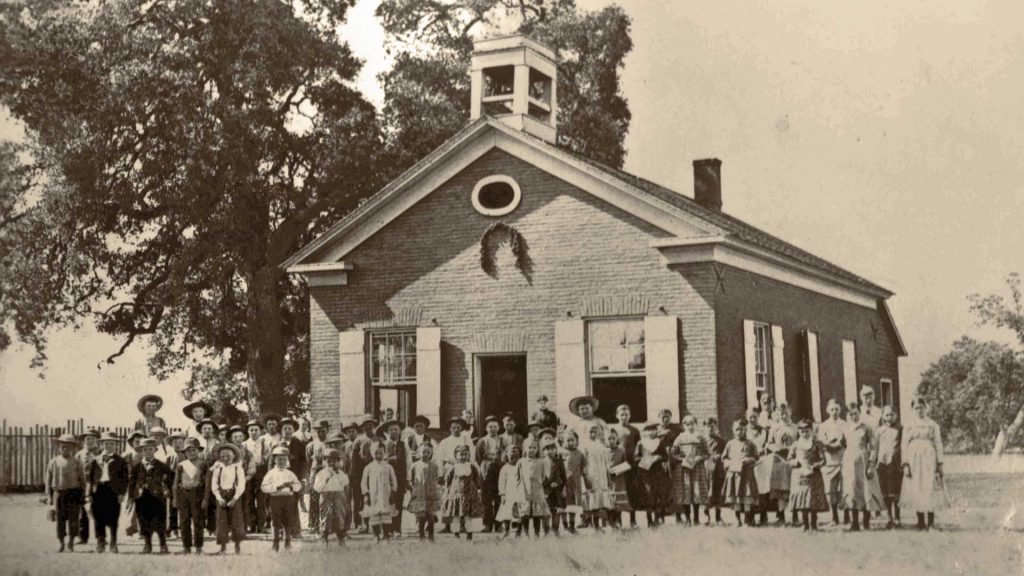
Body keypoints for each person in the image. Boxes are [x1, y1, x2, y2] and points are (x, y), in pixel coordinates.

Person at [901, 396, 947, 531]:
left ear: (925, 408)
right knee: (917, 486)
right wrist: (905, 463)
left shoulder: (933, 425)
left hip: (929, 458)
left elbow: (938, 443)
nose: (919, 410)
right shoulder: (909, 425)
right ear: (912, 410)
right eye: (916, 408)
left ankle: (931, 520)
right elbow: (904, 444)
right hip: (914, 458)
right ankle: (920, 520)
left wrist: (939, 462)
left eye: (921, 407)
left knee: (929, 485)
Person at [841, 402, 883, 531]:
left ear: (860, 413)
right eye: (851, 414)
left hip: (863, 459)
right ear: (847, 415)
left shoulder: (867, 428)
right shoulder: (846, 429)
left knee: (865, 487)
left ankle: (866, 521)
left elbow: (873, 446)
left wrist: (871, 463)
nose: (853, 416)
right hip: (849, 460)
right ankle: (854, 523)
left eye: (855, 413)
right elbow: (843, 444)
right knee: (851, 488)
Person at [127, 438, 174, 554]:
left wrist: (166, 489)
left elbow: (170, 478)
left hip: (158, 497)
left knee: (159, 520)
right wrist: (130, 497)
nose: (148, 452)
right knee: (144, 520)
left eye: (150, 449)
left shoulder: (161, 465)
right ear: (141, 451)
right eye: (145, 450)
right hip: (141, 497)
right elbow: (132, 483)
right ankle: (147, 545)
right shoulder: (136, 467)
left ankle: (163, 545)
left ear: (155, 450)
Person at [85, 431, 128, 553]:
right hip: (98, 491)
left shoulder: (120, 461)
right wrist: (88, 494)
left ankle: (113, 542)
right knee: (98, 517)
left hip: (113, 491)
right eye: (106, 443)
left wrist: (122, 493)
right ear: (101, 445)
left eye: (111, 444)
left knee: (113, 517)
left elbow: (125, 479)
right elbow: (89, 479)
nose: (108, 446)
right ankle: (100, 542)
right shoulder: (95, 460)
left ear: (115, 445)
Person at [43, 434, 85, 553]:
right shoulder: (54, 462)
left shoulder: (77, 462)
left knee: (73, 519)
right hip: (59, 493)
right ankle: (61, 542)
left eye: (69, 447)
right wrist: (49, 496)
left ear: (73, 448)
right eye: (63, 447)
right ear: (59, 448)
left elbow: (82, 479)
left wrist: (83, 494)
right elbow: (48, 480)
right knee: (60, 519)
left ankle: (71, 542)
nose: (66, 449)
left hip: (74, 493)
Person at [787, 420, 828, 531]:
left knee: (812, 500)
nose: (805, 434)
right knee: (802, 501)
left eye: (807, 431)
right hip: (799, 476)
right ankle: (805, 524)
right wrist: (796, 463)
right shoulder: (795, 445)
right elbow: (789, 459)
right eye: (802, 432)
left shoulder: (817, 444)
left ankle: (814, 524)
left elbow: (823, 459)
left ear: (811, 430)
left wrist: (815, 466)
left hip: (814, 476)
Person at [437, 415, 474, 533]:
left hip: (463, 470)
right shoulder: (444, 442)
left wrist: (470, 468)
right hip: (449, 469)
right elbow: (440, 459)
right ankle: (447, 525)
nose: (456, 429)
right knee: (447, 497)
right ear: (450, 428)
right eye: (453, 427)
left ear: (462, 428)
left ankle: (462, 525)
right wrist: (441, 474)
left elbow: (472, 455)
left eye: (458, 427)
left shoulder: (466, 440)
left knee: (462, 498)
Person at [671, 415, 709, 525]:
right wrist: (682, 459)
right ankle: (688, 518)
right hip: (684, 469)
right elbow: (673, 453)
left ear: (696, 424)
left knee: (696, 491)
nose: (690, 426)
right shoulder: (680, 437)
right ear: (684, 426)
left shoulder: (701, 437)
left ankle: (696, 518)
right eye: (687, 424)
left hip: (697, 468)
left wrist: (699, 458)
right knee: (686, 492)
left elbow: (707, 453)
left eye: (692, 423)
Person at [262, 446, 302, 551]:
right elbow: (264, 487)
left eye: (284, 459)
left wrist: (291, 486)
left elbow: (298, 486)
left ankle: (287, 542)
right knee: (275, 520)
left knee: (288, 520)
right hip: (275, 499)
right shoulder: (271, 473)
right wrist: (277, 487)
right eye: (279, 459)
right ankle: (275, 543)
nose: (282, 461)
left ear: (287, 460)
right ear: (274, 460)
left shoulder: (290, 473)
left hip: (288, 499)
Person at [608, 404, 641, 528]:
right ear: (617, 415)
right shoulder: (612, 430)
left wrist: (636, 462)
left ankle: (633, 520)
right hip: (617, 465)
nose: (624, 417)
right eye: (621, 414)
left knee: (631, 492)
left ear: (630, 416)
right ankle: (618, 520)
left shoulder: (634, 430)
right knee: (617, 492)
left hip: (630, 465)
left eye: (626, 414)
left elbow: (639, 447)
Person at [441, 443, 485, 540]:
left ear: (469, 455)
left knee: (468, 516)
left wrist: (478, 489)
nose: (463, 456)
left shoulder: (472, 467)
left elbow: (477, 478)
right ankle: (456, 532)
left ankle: (469, 534)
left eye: (465, 454)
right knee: (456, 515)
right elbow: (448, 479)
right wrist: (448, 491)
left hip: (469, 495)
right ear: (456, 455)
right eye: (461, 454)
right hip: (456, 495)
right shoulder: (453, 467)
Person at [764, 404, 798, 525]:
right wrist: (775, 449)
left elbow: (799, 443)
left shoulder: (795, 428)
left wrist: (792, 450)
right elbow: (768, 444)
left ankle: (795, 516)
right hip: (778, 460)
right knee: (780, 490)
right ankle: (782, 516)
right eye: (781, 414)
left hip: (791, 461)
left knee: (793, 488)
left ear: (790, 413)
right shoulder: (774, 428)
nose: (783, 416)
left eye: (785, 413)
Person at [210, 442, 246, 554]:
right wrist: (219, 498)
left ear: (234, 456)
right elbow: (214, 485)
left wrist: (234, 498)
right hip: (221, 495)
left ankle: (237, 547)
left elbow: (241, 485)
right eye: (222, 456)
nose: (225, 458)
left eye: (228, 455)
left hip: (234, 495)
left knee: (236, 521)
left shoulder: (238, 468)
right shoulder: (218, 469)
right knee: (222, 522)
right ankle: (223, 548)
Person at [722, 420, 759, 527]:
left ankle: (747, 519)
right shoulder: (730, 444)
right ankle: (737, 519)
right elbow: (724, 458)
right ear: (733, 431)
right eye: (737, 429)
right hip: (734, 475)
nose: (739, 432)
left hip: (747, 474)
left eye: (741, 429)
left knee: (747, 496)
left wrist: (749, 460)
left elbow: (756, 458)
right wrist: (729, 463)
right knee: (736, 498)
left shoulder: (750, 444)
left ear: (745, 430)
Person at [173, 438, 207, 554]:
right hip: (184, 494)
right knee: (184, 521)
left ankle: (199, 546)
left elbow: (206, 483)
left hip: (197, 494)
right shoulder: (181, 465)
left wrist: (205, 499)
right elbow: (176, 483)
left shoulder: (203, 464)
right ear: (184, 453)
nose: (191, 453)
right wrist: (175, 498)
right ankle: (186, 547)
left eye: (194, 450)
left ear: (198, 451)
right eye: (188, 451)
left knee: (198, 521)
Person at [313, 448, 350, 547]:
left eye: (334, 461)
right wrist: (327, 477)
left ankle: (341, 539)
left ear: (338, 462)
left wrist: (344, 498)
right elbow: (317, 488)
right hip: (326, 496)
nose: (331, 464)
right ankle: (324, 539)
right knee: (326, 517)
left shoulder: (341, 474)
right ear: (324, 462)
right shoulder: (321, 474)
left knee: (340, 517)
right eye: (328, 461)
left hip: (338, 496)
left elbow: (346, 486)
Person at [818, 398, 847, 525]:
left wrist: (839, 443)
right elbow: (821, 442)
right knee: (831, 490)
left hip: (843, 460)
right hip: (829, 461)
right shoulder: (824, 425)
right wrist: (830, 445)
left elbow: (846, 440)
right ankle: (834, 516)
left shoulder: (844, 424)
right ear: (827, 410)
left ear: (840, 410)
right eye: (832, 409)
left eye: (836, 409)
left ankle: (847, 515)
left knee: (844, 489)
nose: (834, 412)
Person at [361, 442, 398, 541]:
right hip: (373, 495)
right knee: (374, 514)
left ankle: (386, 534)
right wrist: (366, 494)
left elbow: (393, 480)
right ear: (372, 454)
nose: (378, 456)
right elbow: (364, 482)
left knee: (386, 514)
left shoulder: (388, 467)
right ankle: (376, 535)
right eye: (376, 453)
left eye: (380, 453)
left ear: (384, 453)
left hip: (386, 494)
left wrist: (393, 492)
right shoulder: (368, 467)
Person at [581, 423, 613, 530]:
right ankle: (594, 524)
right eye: (591, 432)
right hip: (592, 474)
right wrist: (586, 476)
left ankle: (604, 522)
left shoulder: (602, 445)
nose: (593, 434)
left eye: (595, 431)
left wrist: (608, 476)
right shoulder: (585, 446)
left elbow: (606, 462)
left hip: (602, 475)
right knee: (593, 499)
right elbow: (583, 463)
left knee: (603, 498)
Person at [636, 422, 670, 526]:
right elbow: (636, 457)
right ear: (645, 432)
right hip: (645, 472)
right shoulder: (641, 443)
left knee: (658, 493)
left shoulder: (659, 442)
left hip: (657, 471)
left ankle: (658, 517)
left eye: (653, 430)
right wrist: (643, 459)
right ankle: (649, 519)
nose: (651, 432)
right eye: (648, 430)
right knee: (648, 493)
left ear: (656, 431)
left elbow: (665, 456)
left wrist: (658, 457)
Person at [378, 419, 408, 536]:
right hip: (386, 477)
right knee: (387, 501)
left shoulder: (403, 445)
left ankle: (397, 528)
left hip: (400, 476)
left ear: (400, 431)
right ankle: (387, 528)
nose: (394, 432)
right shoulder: (382, 445)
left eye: (396, 429)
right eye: (391, 430)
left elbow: (408, 462)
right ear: (386, 432)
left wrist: (407, 478)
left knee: (398, 502)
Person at [475, 415, 503, 532]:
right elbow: (477, 457)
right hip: (485, 469)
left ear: (498, 428)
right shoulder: (481, 441)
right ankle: (487, 524)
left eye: (495, 427)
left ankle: (498, 524)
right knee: (486, 498)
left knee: (498, 497)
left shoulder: (501, 440)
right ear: (486, 428)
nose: (492, 429)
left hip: (499, 469)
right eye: (490, 427)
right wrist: (484, 466)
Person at [350, 414, 378, 533]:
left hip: (375, 472)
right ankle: (361, 523)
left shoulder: (378, 439)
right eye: (366, 425)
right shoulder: (358, 440)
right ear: (362, 427)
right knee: (360, 499)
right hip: (360, 473)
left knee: (375, 497)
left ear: (373, 426)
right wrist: (354, 475)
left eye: (370, 425)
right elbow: (354, 460)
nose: (368, 427)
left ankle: (376, 523)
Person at [876, 406, 903, 528]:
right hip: (882, 463)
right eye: (887, 415)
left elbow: (903, 446)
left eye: (892, 414)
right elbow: (875, 447)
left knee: (895, 491)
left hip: (895, 463)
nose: (889, 417)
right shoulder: (879, 430)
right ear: (882, 416)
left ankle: (897, 517)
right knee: (885, 491)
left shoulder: (900, 429)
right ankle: (889, 517)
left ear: (896, 416)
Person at [279, 417, 307, 535]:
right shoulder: (278, 444)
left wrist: (302, 478)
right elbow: (272, 461)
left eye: (289, 428)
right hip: (281, 477)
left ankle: (295, 530)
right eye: (285, 428)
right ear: (281, 430)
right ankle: (282, 530)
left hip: (295, 477)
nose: (287, 431)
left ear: (294, 430)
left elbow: (303, 462)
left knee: (294, 502)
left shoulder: (299, 444)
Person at [408, 443, 441, 541]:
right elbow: (412, 480)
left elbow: (436, 479)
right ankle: (421, 536)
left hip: (431, 494)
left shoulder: (434, 465)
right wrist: (414, 491)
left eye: (428, 452)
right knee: (421, 516)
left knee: (431, 516)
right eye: (423, 452)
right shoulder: (415, 465)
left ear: (431, 453)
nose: (425, 454)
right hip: (420, 494)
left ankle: (431, 536)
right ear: (419, 452)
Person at [74, 428, 101, 545]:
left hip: (98, 486)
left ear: (97, 441)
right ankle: (82, 537)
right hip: (83, 486)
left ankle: (100, 537)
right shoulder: (79, 455)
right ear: (83, 441)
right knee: (82, 512)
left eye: (92, 439)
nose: (89, 441)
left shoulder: (101, 453)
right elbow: (74, 470)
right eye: (87, 439)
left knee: (99, 512)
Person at [306, 419, 330, 534]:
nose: (321, 434)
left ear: (327, 430)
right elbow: (308, 462)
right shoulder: (311, 445)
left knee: (327, 499)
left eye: (323, 431)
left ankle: (328, 524)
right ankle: (313, 525)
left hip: (328, 473)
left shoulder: (330, 443)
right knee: (314, 499)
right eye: (318, 431)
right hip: (315, 474)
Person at [242, 419, 266, 533]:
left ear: (260, 431)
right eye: (251, 430)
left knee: (261, 499)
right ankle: (251, 525)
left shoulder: (264, 442)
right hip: (249, 472)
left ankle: (261, 525)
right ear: (248, 431)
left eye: (256, 430)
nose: (253, 432)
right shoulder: (244, 444)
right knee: (249, 499)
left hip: (261, 471)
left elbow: (268, 457)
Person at [495, 445, 524, 537]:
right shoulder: (505, 468)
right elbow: (501, 483)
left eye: (516, 454)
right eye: (511, 454)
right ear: (506, 455)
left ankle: (518, 531)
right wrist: (502, 494)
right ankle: (506, 530)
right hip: (508, 494)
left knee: (518, 513)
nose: (513, 457)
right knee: (506, 513)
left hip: (519, 494)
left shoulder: (521, 467)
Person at [561, 430, 586, 533]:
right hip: (564, 483)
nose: (569, 442)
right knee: (562, 504)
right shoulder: (560, 452)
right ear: (563, 441)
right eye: (567, 440)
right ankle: (565, 524)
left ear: (576, 441)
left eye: (572, 440)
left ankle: (572, 525)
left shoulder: (580, 454)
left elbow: (583, 469)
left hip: (575, 483)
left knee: (573, 504)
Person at [703, 417, 726, 525]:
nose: (710, 429)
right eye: (708, 426)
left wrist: (719, 456)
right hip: (706, 469)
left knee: (717, 491)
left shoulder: (721, 441)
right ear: (704, 428)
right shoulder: (702, 440)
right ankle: (706, 515)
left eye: (712, 426)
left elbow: (726, 453)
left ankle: (718, 516)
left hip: (718, 470)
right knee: (706, 491)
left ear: (716, 427)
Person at [541, 440, 567, 534]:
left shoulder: (559, 462)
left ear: (556, 450)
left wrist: (559, 484)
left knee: (555, 510)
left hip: (557, 490)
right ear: (544, 450)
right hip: (546, 490)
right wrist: (546, 484)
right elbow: (540, 477)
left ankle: (555, 529)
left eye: (552, 448)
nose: (550, 451)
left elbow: (564, 477)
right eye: (547, 449)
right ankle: (546, 531)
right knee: (545, 511)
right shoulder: (542, 462)